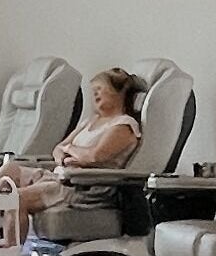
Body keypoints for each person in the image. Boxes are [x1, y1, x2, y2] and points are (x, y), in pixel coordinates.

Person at [8, 67, 147, 242]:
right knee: (10, 170)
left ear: (118, 93)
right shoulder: (91, 121)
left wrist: (70, 151)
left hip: (87, 188)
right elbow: (58, 148)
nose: (95, 95)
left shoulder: (124, 125)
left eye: (100, 90)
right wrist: (68, 156)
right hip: (64, 176)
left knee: (16, 198)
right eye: (93, 91)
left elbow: (94, 156)